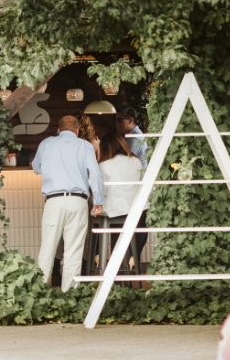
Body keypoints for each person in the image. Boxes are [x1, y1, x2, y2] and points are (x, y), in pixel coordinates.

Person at [32, 115, 104, 292]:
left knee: (47, 249)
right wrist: (98, 201)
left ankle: (39, 293)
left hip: (54, 201)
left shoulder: (46, 144)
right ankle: (69, 294)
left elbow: (36, 168)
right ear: (77, 130)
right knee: (73, 252)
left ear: (58, 130)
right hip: (78, 201)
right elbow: (95, 174)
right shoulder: (85, 146)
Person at [99, 132, 149, 267]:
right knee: (139, 229)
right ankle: (132, 258)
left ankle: (115, 266)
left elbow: (101, 192)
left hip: (118, 211)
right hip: (139, 210)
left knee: (104, 223)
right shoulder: (136, 161)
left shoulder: (103, 165)